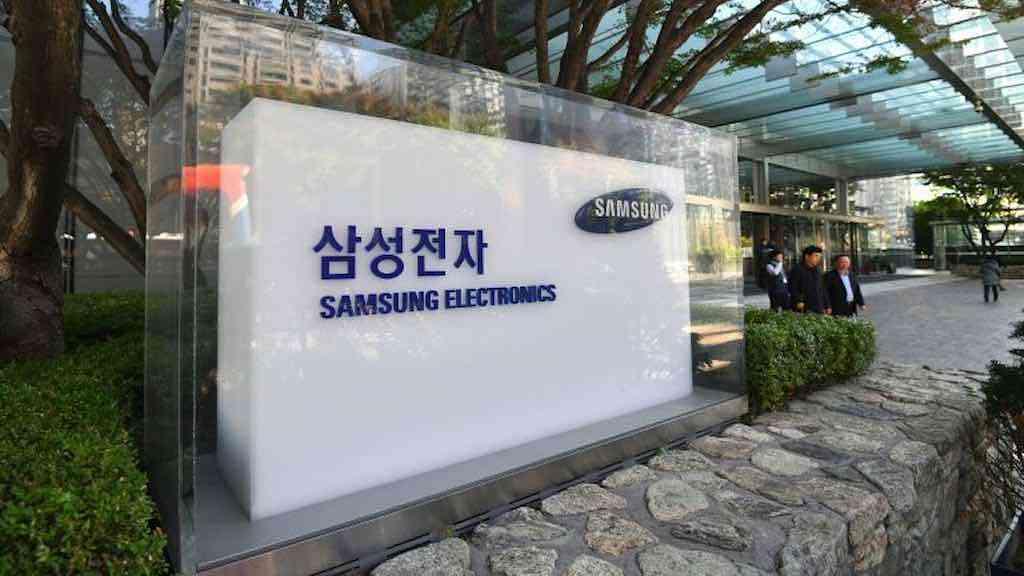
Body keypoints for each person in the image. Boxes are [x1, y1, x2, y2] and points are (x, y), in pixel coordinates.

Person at [789, 245, 830, 314]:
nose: (818, 259)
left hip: (819, 306)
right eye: (816, 256)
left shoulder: (818, 270)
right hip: (804, 307)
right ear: (807, 256)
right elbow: (793, 288)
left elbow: (823, 288)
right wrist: (798, 300)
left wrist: (827, 305)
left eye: (820, 257)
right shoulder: (797, 270)